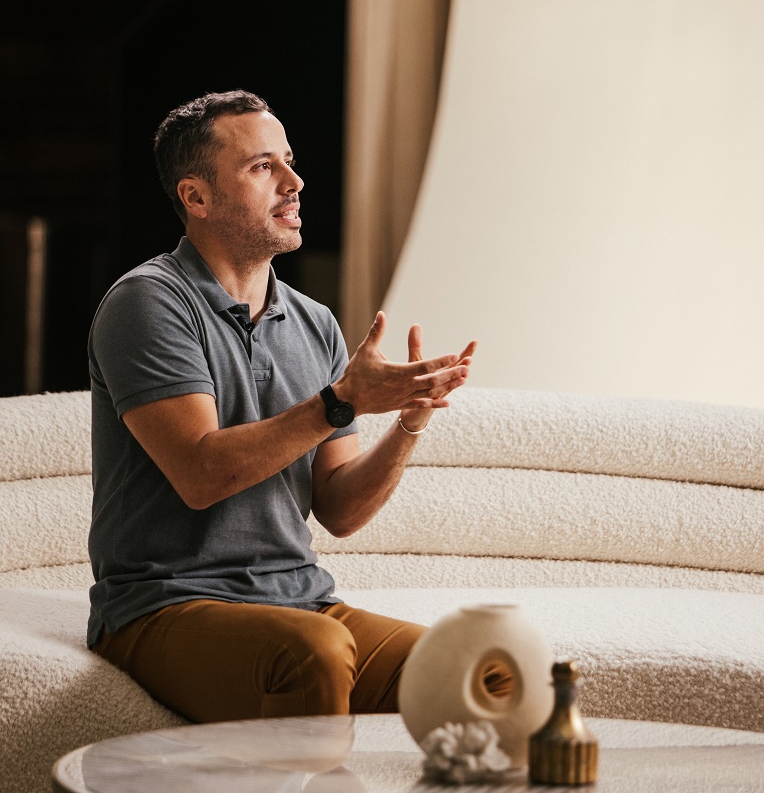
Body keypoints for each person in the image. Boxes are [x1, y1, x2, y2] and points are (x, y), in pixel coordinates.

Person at [86, 90, 477, 722]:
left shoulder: (314, 323)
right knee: (315, 652)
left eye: (288, 161)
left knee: (481, 668)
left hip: (300, 602)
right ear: (196, 197)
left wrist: (409, 420)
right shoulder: (148, 304)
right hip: (164, 606)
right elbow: (202, 474)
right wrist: (342, 400)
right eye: (262, 167)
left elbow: (341, 510)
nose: (294, 183)